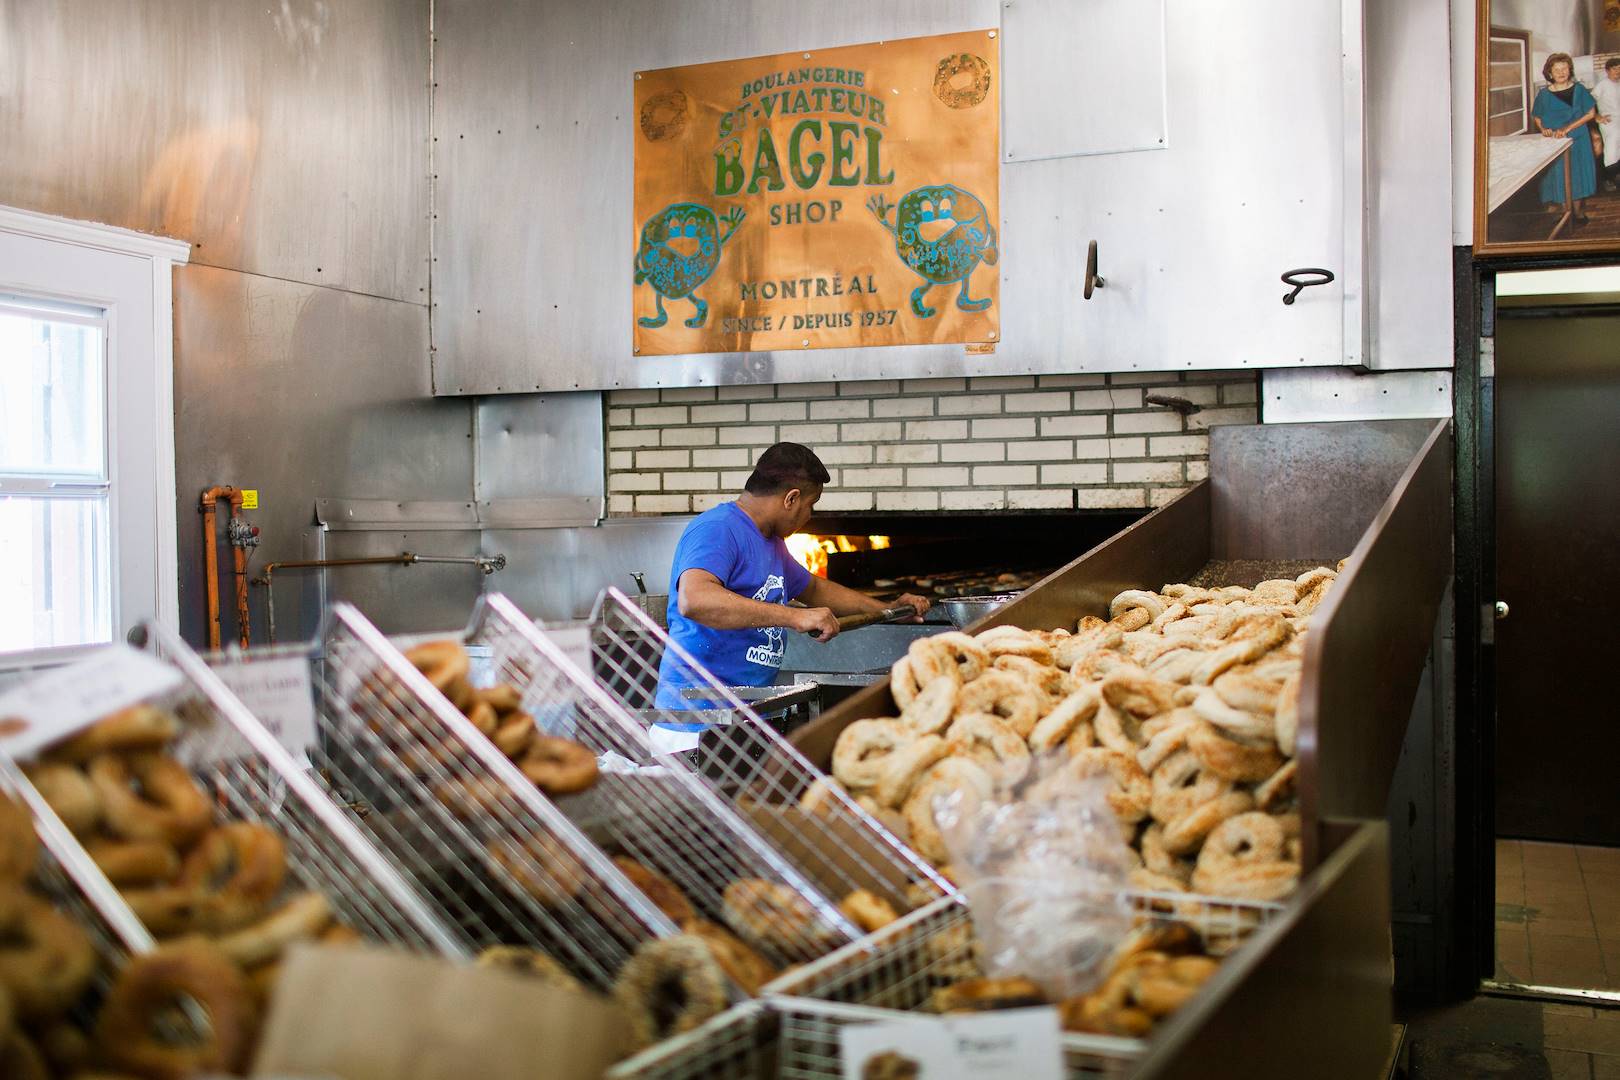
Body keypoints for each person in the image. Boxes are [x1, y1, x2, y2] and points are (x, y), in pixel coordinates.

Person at [654, 442, 931, 716]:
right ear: (791, 498)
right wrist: (795, 616)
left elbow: (814, 587)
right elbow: (695, 600)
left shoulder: (771, 542)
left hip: (747, 713)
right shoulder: (718, 528)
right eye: (811, 505)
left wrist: (889, 609)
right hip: (696, 718)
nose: (810, 515)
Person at [1532, 53, 1600, 221]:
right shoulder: (1543, 94)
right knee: (1559, 176)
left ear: (1570, 70)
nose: (1561, 72)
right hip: (1555, 141)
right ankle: (1565, 212)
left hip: (1579, 139)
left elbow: (1590, 113)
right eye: (1557, 70)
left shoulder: (1579, 89)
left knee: (1578, 175)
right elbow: (1537, 116)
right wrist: (1544, 129)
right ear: (1550, 73)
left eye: (1565, 68)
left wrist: (1567, 128)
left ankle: (1577, 212)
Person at [1594, 57, 1620, 191]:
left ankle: (1615, 177)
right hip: (1608, 121)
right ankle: (1607, 179)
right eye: (1614, 69)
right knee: (1611, 149)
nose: (1618, 71)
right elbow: (1589, 102)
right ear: (1607, 70)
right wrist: (1597, 116)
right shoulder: (1602, 85)